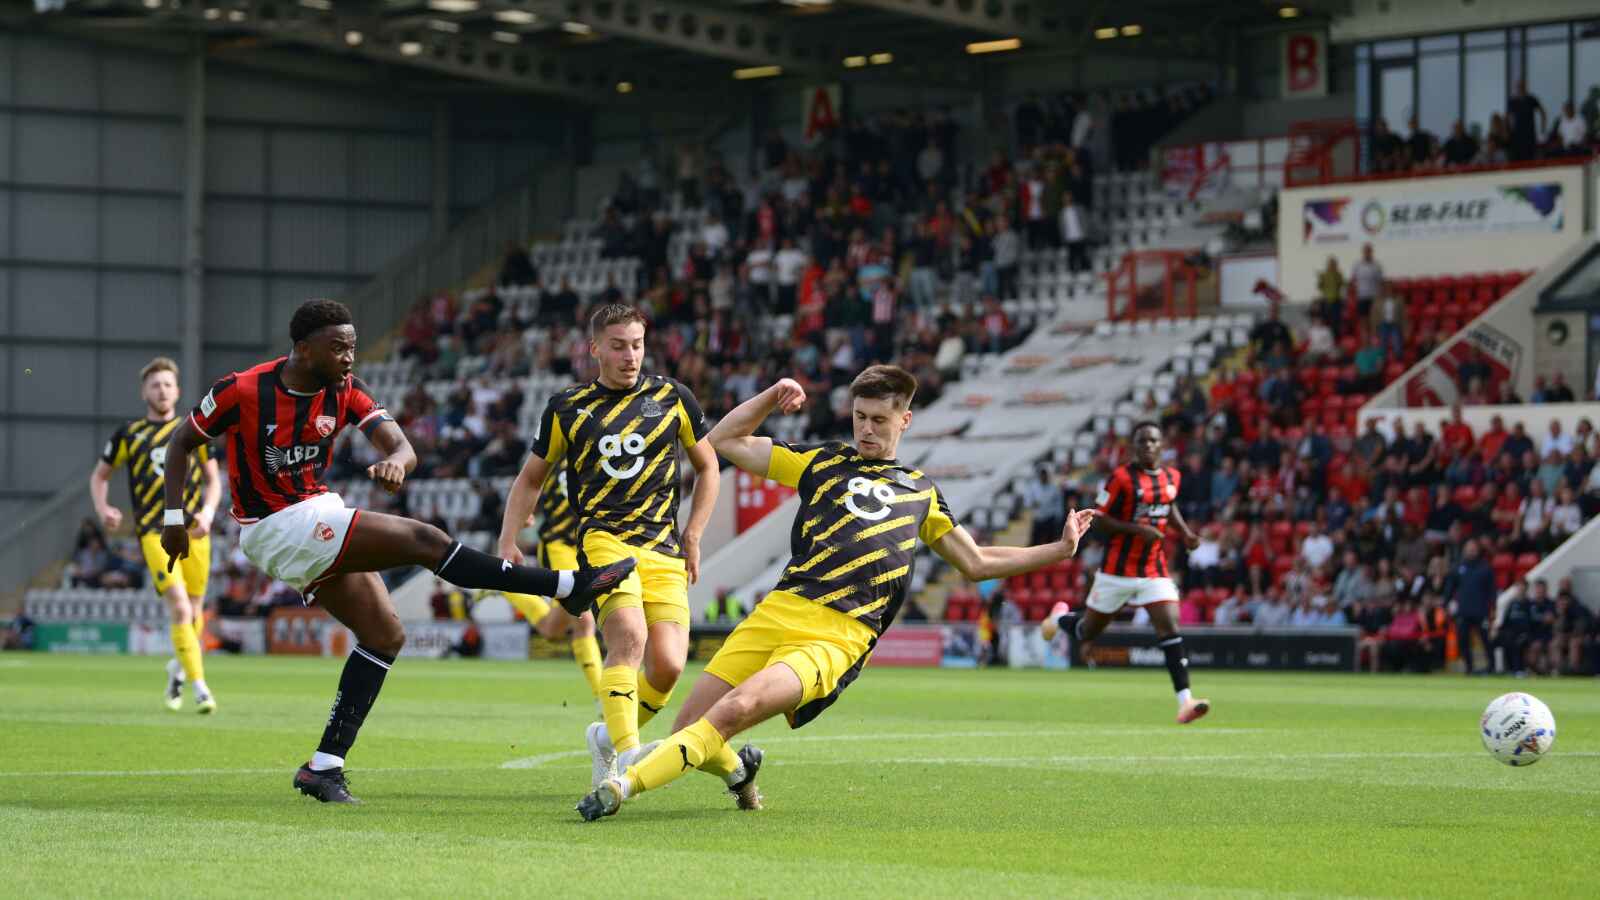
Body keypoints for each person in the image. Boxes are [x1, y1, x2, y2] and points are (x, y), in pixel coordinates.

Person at [159, 300, 633, 804]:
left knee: (385, 635)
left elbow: (402, 446)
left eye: (353, 346)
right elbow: (180, 444)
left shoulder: (346, 391)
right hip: (272, 525)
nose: (348, 357)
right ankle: (567, 585)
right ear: (302, 349)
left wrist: (395, 463)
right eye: (338, 347)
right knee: (425, 540)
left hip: (315, 509)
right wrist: (172, 519)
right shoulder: (242, 389)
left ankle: (323, 767)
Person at [574, 367, 1097, 821]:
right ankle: (739, 769)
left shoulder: (921, 492)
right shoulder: (821, 462)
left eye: (879, 420)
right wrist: (772, 394)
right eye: (860, 417)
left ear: (905, 421)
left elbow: (976, 562)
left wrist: (1058, 550)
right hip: (778, 610)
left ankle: (621, 788)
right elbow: (725, 443)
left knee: (736, 709)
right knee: (691, 726)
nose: (866, 429)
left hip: (839, 633)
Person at [498, 304, 721, 792]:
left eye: (637, 344)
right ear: (594, 347)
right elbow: (531, 477)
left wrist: (695, 535)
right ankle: (626, 753)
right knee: (629, 641)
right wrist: (508, 538)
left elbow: (709, 467)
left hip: (664, 548)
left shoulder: (672, 397)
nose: (630, 356)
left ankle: (604, 735)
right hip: (605, 541)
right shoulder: (567, 408)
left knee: (668, 666)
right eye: (618, 345)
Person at [1041, 421, 1208, 724]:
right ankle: (1058, 619)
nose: (1147, 446)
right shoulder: (1120, 478)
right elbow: (1099, 519)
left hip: (1153, 570)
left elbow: (1169, 507)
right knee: (1088, 631)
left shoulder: (1173, 476)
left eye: (1153, 441)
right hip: (1116, 571)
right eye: (1141, 441)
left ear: (1161, 445)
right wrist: (1138, 531)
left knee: (1170, 627)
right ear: (1134, 446)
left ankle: (1185, 701)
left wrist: (1184, 533)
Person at [89, 357, 224, 713]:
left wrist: (209, 513)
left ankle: (177, 669)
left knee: (194, 610)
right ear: (143, 392)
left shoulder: (194, 429)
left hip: (195, 531)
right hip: (155, 531)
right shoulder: (129, 434)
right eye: (155, 385)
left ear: (177, 390)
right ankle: (200, 687)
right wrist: (103, 508)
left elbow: (214, 480)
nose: (161, 390)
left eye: (167, 384)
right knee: (180, 607)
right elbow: (100, 476)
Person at [500, 463, 605, 701]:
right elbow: (527, 480)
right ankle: (602, 696)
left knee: (551, 628)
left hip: (592, 545)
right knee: (583, 616)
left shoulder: (603, 448)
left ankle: (505, 586)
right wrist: (524, 512)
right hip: (559, 544)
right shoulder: (556, 450)